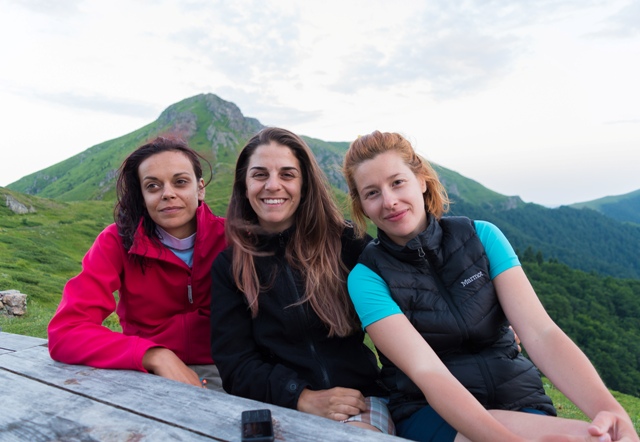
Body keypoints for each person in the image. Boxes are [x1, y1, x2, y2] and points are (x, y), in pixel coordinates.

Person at [342, 130, 638, 442]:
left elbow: (541, 333)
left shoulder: (482, 237)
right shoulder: (367, 277)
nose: (389, 201)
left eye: (397, 182)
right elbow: (427, 372)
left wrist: (613, 414)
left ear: (422, 180)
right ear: (361, 205)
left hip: (518, 400)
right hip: (433, 413)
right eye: (372, 193)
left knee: (604, 438)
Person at [210, 127, 395, 434]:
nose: (273, 185)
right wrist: (302, 396)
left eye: (287, 174)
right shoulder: (230, 267)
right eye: (259, 175)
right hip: (277, 406)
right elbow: (236, 364)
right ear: (244, 185)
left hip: (359, 399)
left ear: (304, 184)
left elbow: (401, 317)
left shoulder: (346, 243)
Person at [48, 135, 227, 389]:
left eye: (180, 182)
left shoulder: (233, 238)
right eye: (153, 186)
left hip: (227, 371)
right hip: (143, 372)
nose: (168, 194)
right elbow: (66, 331)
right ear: (142, 195)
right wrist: (154, 354)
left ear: (200, 188)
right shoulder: (117, 241)